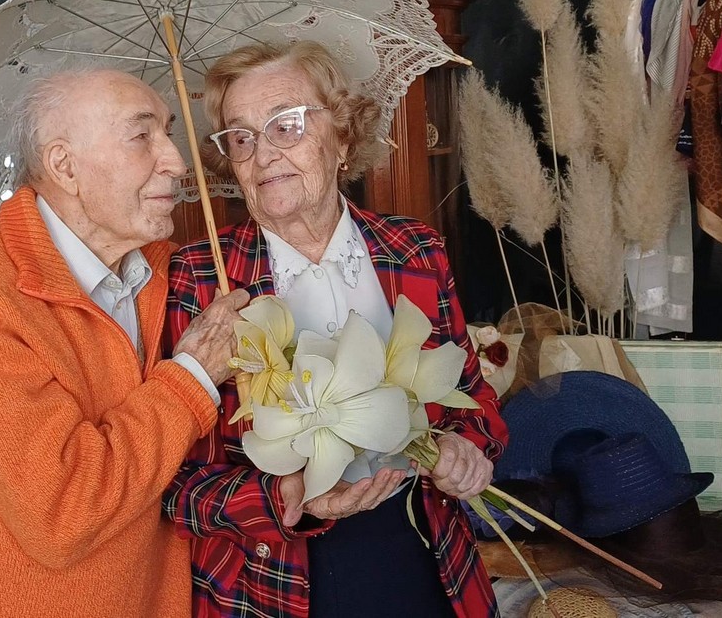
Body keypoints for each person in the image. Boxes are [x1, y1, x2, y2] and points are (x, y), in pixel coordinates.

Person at [0, 69, 250, 618]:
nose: (176, 161)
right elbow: (63, 511)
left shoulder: (174, 269)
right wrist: (193, 377)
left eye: (168, 133)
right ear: (64, 166)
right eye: (142, 136)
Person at [163, 42, 508, 618]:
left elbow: (473, 399)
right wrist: (286, 495)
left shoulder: (415, 250)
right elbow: (172, 485)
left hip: (424, 552)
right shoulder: (198, 280)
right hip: (274, 579)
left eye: (287, 125)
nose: (263, 154)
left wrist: (465, 449)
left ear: (343, 138)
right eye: (241, 137)